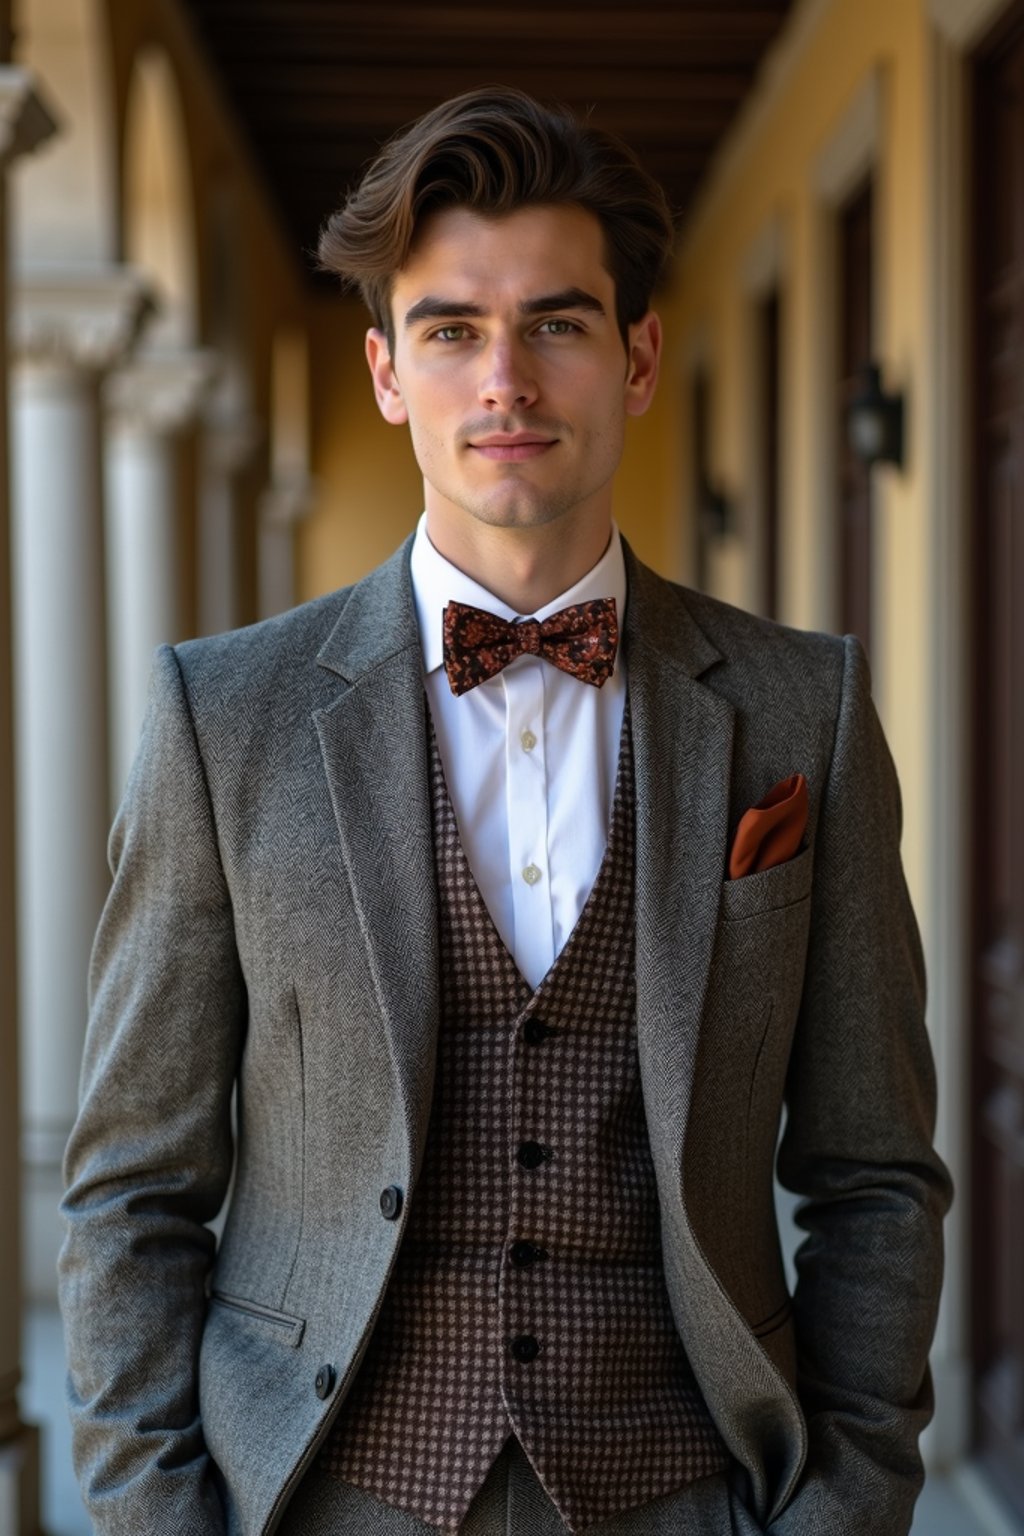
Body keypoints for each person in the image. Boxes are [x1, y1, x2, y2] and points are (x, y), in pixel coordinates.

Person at [59, 86, 952, 1536]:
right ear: (385, 373)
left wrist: (847, 1502)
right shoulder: (225, 718)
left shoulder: (807, 711)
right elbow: (132, 1188)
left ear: (640, 355)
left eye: (558, 322)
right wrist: (158, 1515)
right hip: (319, 1488)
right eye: (452, 330)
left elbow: (874, 1173)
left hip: (695, 1487)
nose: (507, 381)